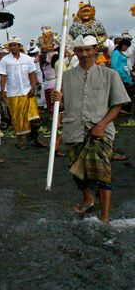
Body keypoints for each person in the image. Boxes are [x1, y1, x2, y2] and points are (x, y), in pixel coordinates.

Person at [51, 35, 130, 224]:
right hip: (75, 129)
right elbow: (62, 104)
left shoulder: (110, 75)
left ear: (96, 50)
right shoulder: (66, 77)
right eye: (80, 50)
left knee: (102, 172)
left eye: (88, 50)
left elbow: (118, 105)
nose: (84, 54)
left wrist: (102, 124)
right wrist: (57, 98)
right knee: (75, 170)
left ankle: (105, 217)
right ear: (75, 52)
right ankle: (88, 197)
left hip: (100, 131)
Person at [0, 37, 45, 149]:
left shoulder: (27, 59)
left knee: (34, 117)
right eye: (11, 45)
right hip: (13, 93)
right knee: (17, 117)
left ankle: (35, 139)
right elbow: (3, 76)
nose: (13, 47)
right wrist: (2, 91)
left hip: (27, 92)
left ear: (19, 46)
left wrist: (33, 88)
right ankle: (20, 141)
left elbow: (32, 74)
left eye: (15, 45)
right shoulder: (5, 60)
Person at [110, 38, 133, 114]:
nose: (127, 48)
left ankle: (125, 109)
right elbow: (113, 65)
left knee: (128, 91)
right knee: (126, 92)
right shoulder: (116, 53)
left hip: (125, 75)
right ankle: (123, 109)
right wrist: (118, 75)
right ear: (123, 45)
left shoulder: (120, 53)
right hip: (121, 75)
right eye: (126, 46)